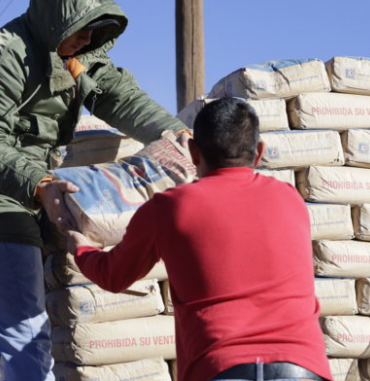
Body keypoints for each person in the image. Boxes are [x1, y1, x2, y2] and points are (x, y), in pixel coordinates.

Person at [0, 0, 189, 381]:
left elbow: (119, 96)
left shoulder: (77, 54)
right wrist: (40, 183)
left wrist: (176, 134)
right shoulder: (0, 57)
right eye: (82, 28)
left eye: (95, 31)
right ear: (57, 17)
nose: (87, 38)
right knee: (29, 344)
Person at [61, 98, 333, 381]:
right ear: (259, 152)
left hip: (220, 368)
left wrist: (82, 248)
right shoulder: (290, 199)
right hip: (305, 368)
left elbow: (113, 275)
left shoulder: (169, 207)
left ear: (192, 152)